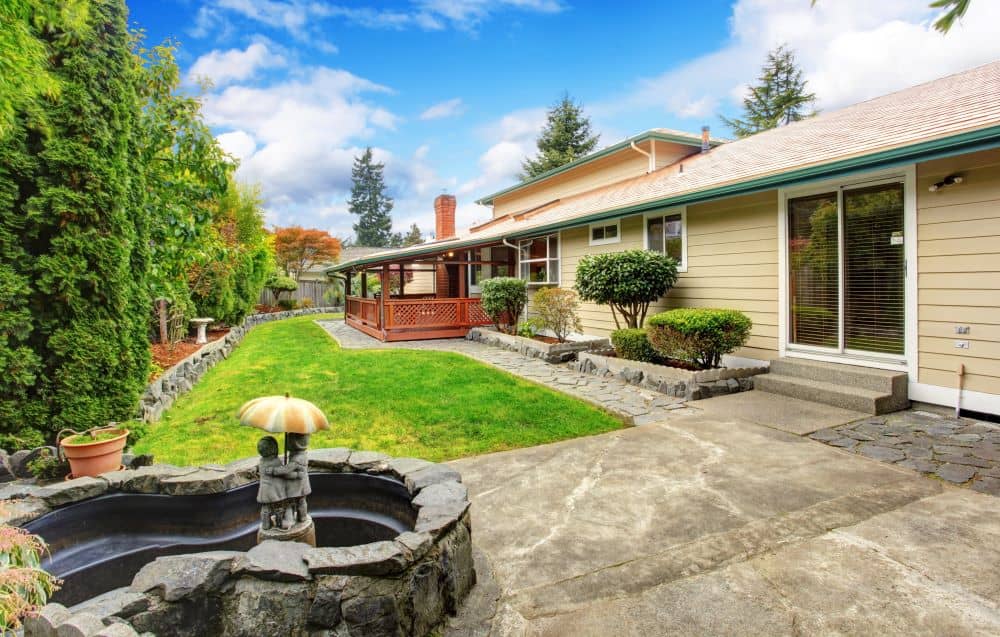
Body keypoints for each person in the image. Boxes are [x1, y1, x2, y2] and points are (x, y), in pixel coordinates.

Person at [256, 436, 288, 530]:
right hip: (275, 491)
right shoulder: (275, 462)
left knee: (265, 509)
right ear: (273, 449)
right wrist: (285, 468)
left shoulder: (261, 462)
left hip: (264, 491)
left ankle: (266, 524)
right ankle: (279, 523)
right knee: (279, 507)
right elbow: (282, 472)